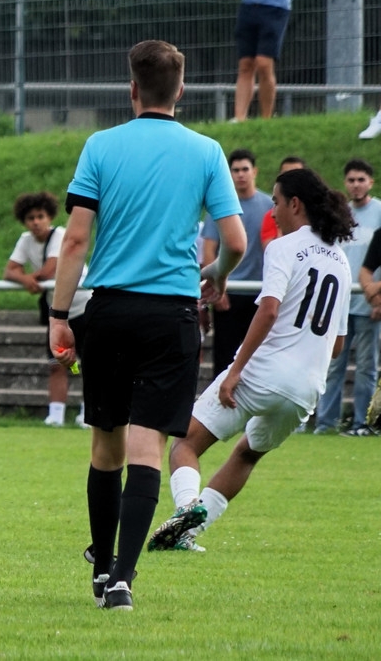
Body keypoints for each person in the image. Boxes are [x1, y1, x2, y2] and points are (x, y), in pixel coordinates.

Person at [49, 40, 246, 611]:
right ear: (180, 90)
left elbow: (77, 238)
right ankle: (123, 581)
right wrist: (214, 274)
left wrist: (61, 316)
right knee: (147, 448)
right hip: (172, 315)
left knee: (105, 446)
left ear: (132, 89)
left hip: (109, 311)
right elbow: (235, 241)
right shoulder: (207, 151)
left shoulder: (101, 146)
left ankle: (101, 564)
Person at [149, 168, 354, 551]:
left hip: (263, 373)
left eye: (276, 202)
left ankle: (186, 508)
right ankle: (188, 536)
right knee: (246, 453)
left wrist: (237, 370)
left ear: (295, 204)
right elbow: (339, 343)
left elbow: (269, 310)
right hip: (306, 388)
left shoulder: (283, 246)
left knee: (184, 443)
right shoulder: (341, 262)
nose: (272, 212)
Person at [4, 191, 91, 427]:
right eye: (30, 218)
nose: (35, 222)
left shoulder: (60, 235)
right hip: (59, 314)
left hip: (83, 306)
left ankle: (87, 414)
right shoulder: (26, 240)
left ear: (49, 217)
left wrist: (30, 279)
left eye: (40, 216)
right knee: (58, 364)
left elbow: (51, 269)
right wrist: (27, 281)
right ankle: (56, 415)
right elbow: (10, 270)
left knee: (88, 364)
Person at [314, 159, 381, 435]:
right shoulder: (340, 214)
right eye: (351, 180)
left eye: (361, 179)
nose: (356, 184)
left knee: (367, 367)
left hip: (369, 303)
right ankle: (325, 422)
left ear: (371, 182)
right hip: (339, 303)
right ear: (345, 183)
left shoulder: (379, 212)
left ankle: (361, 424)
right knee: (332, 365)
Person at [202, 149, 274, 377]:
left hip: (259, 293)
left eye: (245, 169)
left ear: (255, 171)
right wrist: (216, 285)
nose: (241, 175)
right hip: (228, 292)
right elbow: (209, 250)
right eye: (235, 170)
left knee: (259, 359)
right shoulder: (220, 206)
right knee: (224, 358)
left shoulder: (270, 206)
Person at [228, 0, 292, 121]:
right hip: (248, 8)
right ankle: (240, 118)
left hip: (275, 8)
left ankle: (266, 119)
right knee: (245, 65)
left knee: (264, 63)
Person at [260, 155, 306, 249]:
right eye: (286, 174)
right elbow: (270, 250)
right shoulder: (272, 216)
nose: (291, 179)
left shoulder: (316, 214)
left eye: (296, 174)